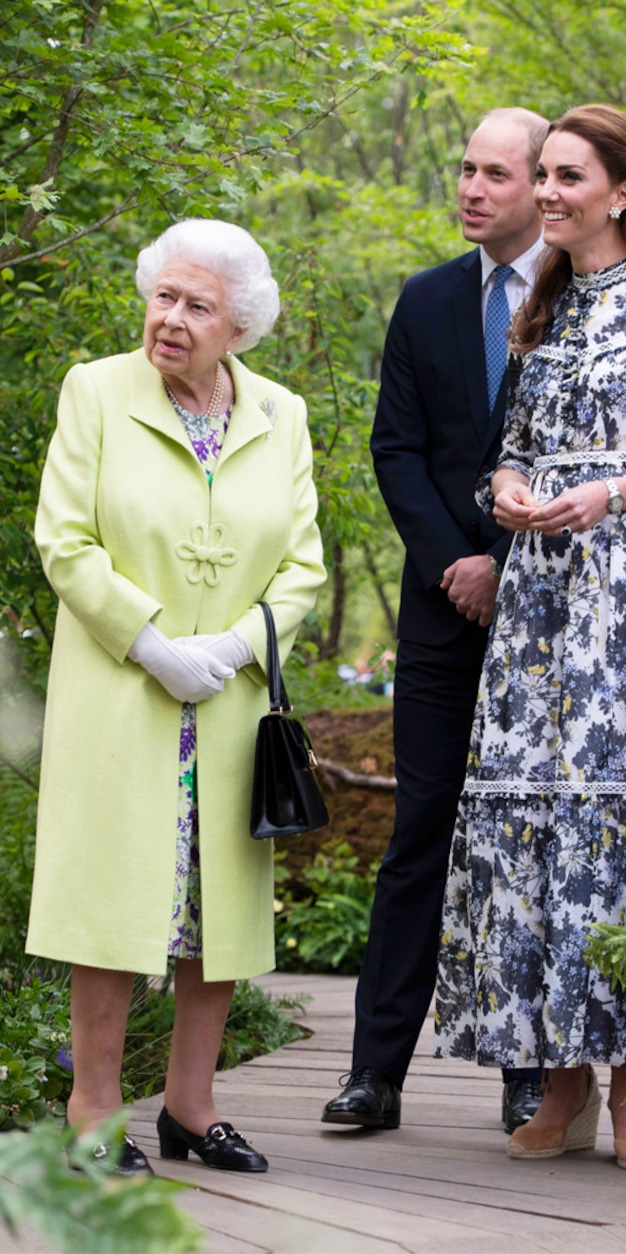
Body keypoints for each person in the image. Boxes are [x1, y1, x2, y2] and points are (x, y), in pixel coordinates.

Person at [434, 103, 626, 1172]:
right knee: (542, 824)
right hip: (538, 607)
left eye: (568, 177)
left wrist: (612, 495)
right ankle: (558, 1083)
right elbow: (513, 450)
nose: (548, 193)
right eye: (545, 176)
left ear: (622, 192)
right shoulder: (544, 308)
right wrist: (510, 489)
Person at [27, 219, 326, 1175]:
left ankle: (191, 1109)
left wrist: (237, 646)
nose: (172, 319)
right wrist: (152, 645)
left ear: (239, 326)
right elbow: (65, 539)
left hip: (229, 705)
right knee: (112, 906)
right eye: (165, 296)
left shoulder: (281, 413)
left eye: (199, 306)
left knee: (214, 912)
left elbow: (303, 564)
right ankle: (92, 1112)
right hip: (124, 694)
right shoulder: (97, 391)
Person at [321, 108, 549, 1134]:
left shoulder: (585, 301)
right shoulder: (425, 299)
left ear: (540, 184)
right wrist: (456, 562)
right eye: (465, 169)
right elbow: (395, 450)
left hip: (548, 616)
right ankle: (373, 1075)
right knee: (418, 832)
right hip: (438, 611)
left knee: (525, 839)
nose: (470, 187)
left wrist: (506, 562)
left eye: (494, 173)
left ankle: (528, 1076)